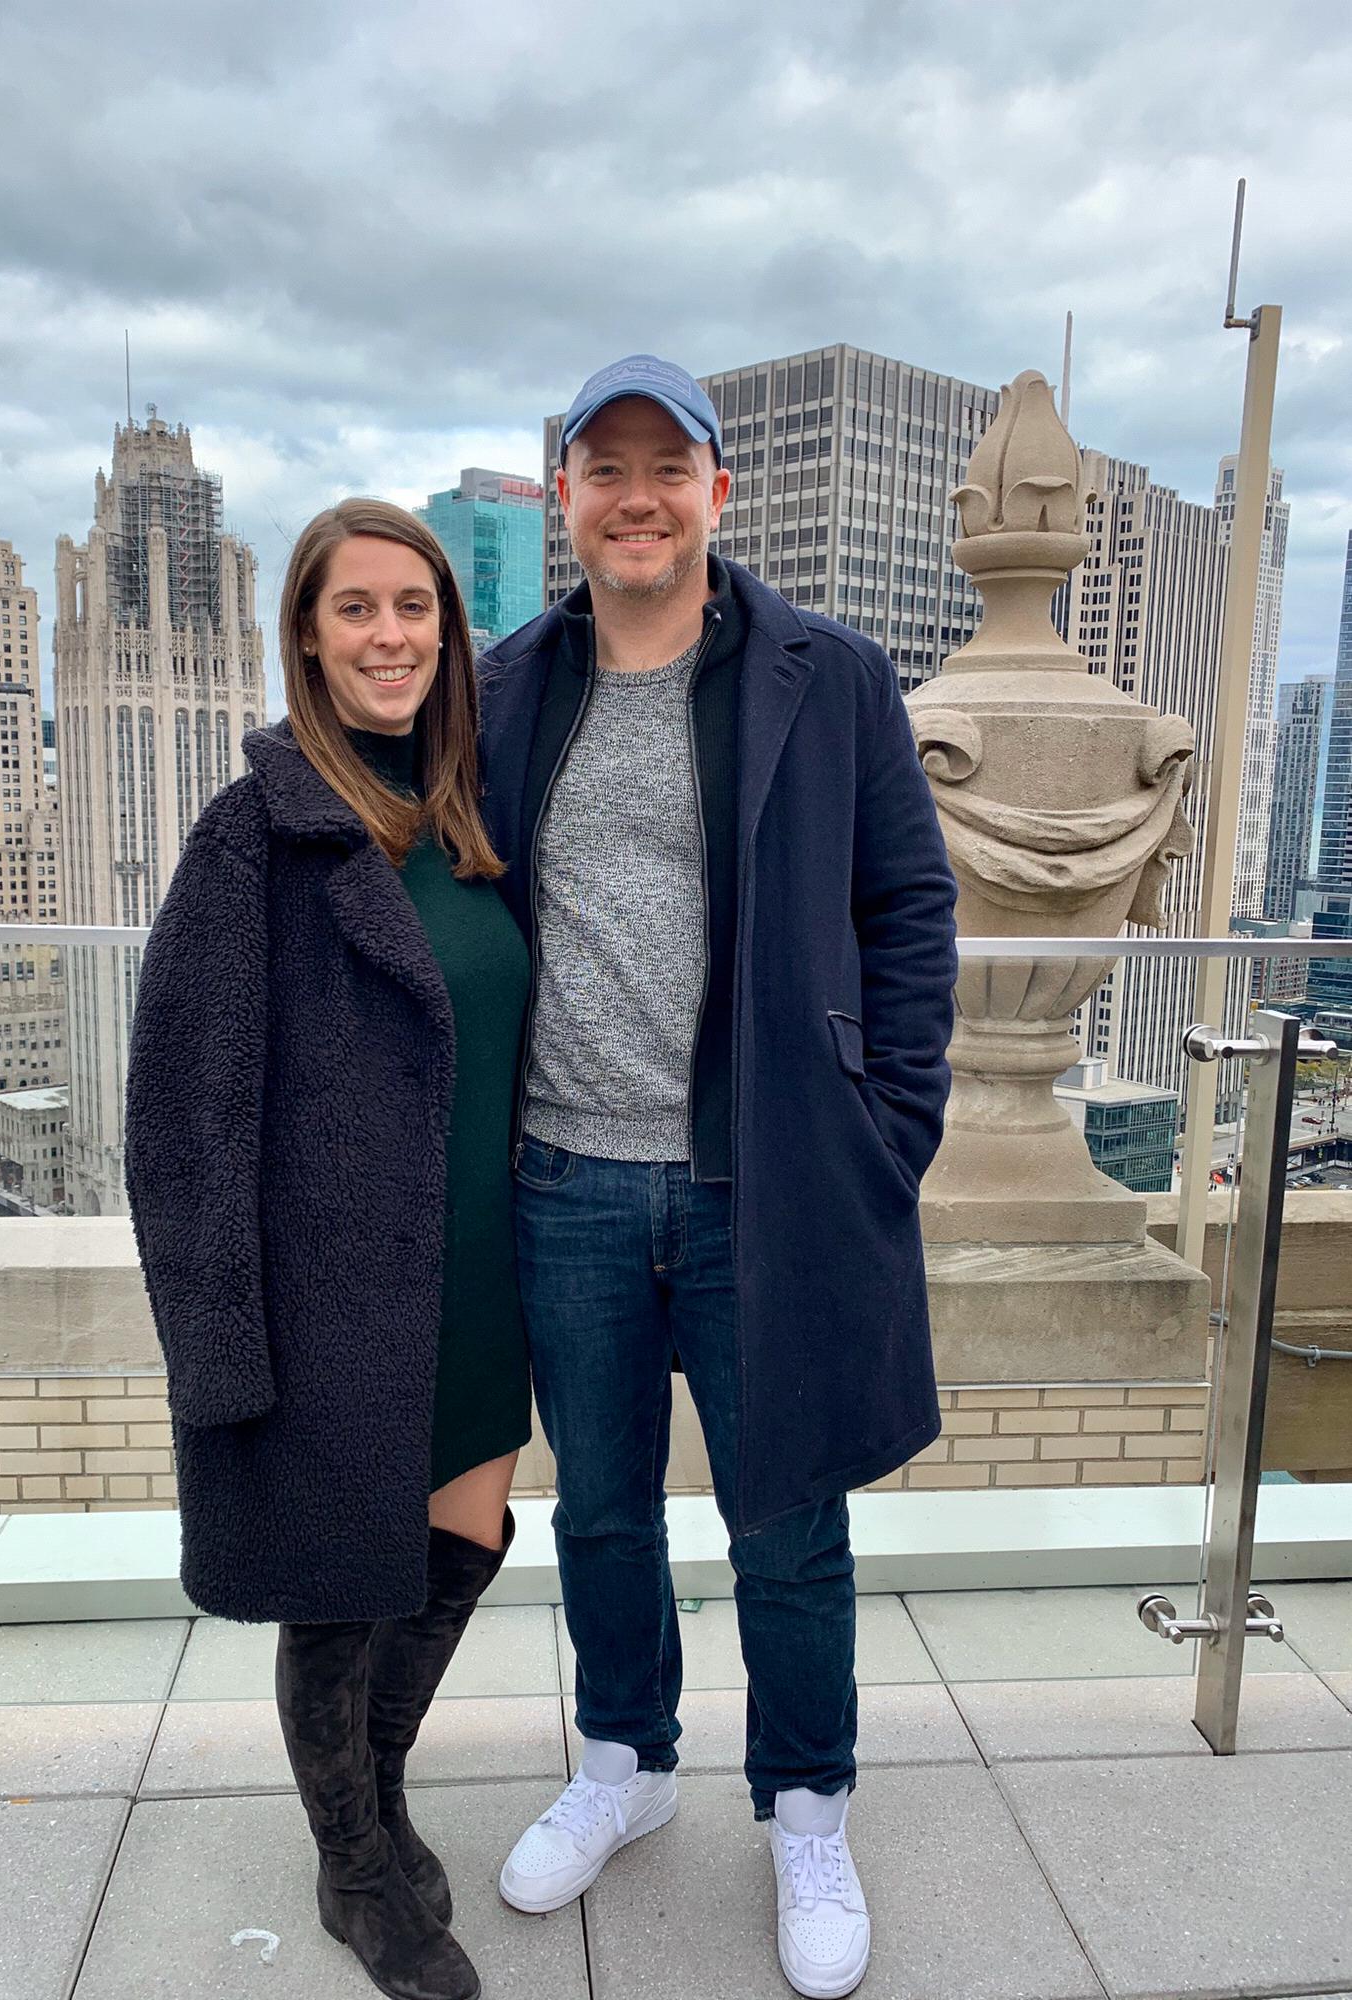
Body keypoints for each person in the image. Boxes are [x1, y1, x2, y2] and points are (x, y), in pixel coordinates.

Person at [477, 355, 958, 1998]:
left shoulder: (832, 676)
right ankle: (627, 1760)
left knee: (788, 1524)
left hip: (769, 1187)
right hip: (565, 1184)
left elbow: (909, 910)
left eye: (663, 466)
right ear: (565, 500)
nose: (633, 495)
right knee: (600, 1512)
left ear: (716, 492)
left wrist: (891, 1128)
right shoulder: (508, 684)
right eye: (600, 468)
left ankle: (807, 1808)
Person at [124, 498, 533, 2000]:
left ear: (447, 632)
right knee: (342, 1582)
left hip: (482, 1275)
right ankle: (355, 1863)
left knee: (466, 1538)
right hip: (335, 1295)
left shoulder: (471, 821)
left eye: (415, 608)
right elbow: (180, 1116)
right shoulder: (260, 831)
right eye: (357, 608)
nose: (390, 635)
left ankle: (379, 1781)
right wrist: (219, 1344)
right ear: (306, 630)